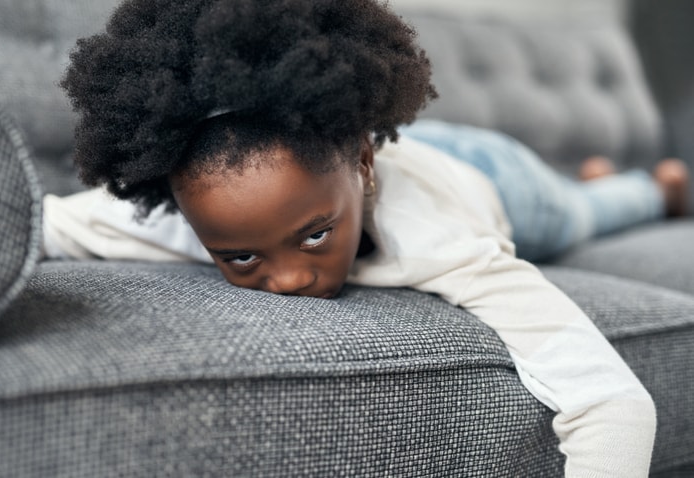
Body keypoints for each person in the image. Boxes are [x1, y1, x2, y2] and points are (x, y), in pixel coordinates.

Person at [43, 0, 689, 475]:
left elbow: (612, 403)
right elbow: (39, 221)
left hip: (495, 174)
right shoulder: (176, 210)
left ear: (362, 160)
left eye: (316, 235)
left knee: (576, 212)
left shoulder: (436, 233)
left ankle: (651, 189)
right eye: (240, 256)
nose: (291, 279)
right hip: (395, 160)